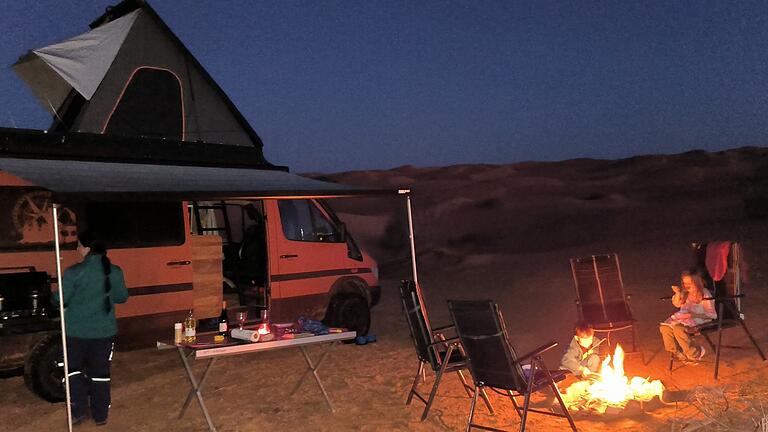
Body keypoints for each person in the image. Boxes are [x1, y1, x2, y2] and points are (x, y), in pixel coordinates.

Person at [52, 231, 129, 426]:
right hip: (104, 332)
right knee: (101, 373)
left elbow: (60, 299)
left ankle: (78, 410)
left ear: (87, 248)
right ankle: (101, 415)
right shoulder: (115, 271)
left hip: (76, 332)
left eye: (78, 245)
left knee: (71, 370)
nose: (77, 249)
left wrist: (55, 297)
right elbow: (122, 297)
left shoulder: (73, 272)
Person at [659, 271, 716, 363]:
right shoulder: (685, 293)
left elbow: (711, 314)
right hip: (683, 318)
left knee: (678, 329)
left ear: (696, 282)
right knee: (664, 328)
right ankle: (677, 352)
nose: (686, 285)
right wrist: (677, 293)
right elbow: (677, 304)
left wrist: (693, 315)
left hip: (698, 319)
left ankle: (696, 353)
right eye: (684, 283)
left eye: (689, 283)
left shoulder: (704, 294)